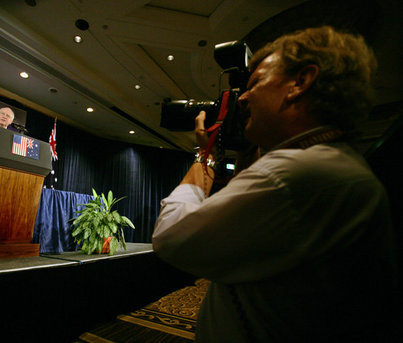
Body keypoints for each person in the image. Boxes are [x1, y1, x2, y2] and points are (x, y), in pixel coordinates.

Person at [152, 26, 398, 342]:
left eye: (255, 84)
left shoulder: (296, 173)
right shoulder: (332, 162)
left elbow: (173, 238)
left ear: (300, 82)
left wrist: (203, 157)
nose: (243, 97)